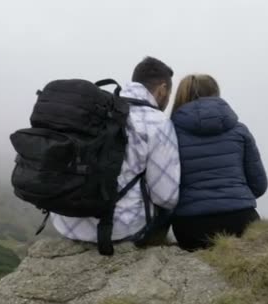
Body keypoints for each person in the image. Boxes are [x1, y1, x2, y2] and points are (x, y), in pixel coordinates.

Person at [51, 57, 181, 243]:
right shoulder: (158, 122)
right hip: (119, 230)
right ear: (162, 89)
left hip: (67, 222)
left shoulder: (99, 109)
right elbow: (165, 197)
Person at [170, 74, 268, 251]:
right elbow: (259, 185)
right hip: (242, 221)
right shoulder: (240, 130)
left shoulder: (169, 133)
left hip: (191, 227)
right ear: (216, 94)